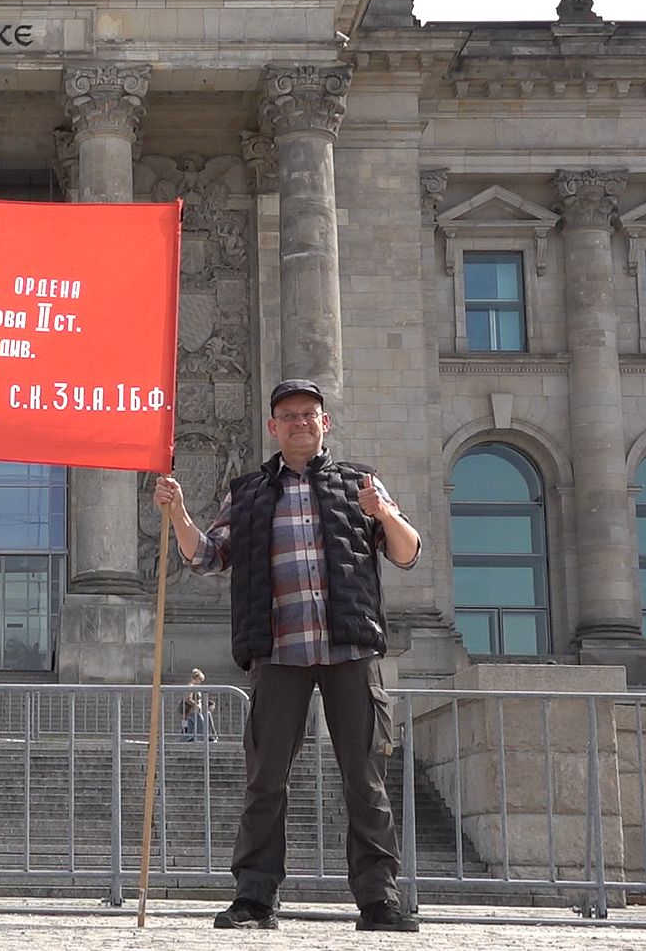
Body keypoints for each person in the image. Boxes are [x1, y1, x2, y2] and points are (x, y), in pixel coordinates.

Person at [152, 379, 422, 934]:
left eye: (309, 414)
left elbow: (407, 551)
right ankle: (254, 899)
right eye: (288, 415)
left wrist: (385, 514)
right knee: (266, 780)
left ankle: (379, 900)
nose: (300, 422)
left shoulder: (360, 484)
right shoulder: (248, 492)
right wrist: (179, 513)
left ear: (326, 424)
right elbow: (207, 557)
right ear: (272, 427)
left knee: (364, 779)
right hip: (277, 652)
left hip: (349, 649)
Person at [180, 667, 215, 743]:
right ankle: (203, 743)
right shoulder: (191, 687)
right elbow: (188, 698)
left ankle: (178, 743)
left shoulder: (192, 686)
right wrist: (195, 705)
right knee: (201, 727)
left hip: (193, 712)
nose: (200, 682)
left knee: (190, 732)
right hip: (194, 711)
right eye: (200, 680)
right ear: (196, 678)